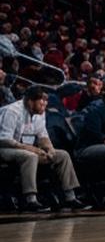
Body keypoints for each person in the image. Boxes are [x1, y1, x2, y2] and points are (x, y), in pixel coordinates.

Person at [0, 85, 85, 213]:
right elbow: (5, 140)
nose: (44, 107)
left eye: (45, 104)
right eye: (41, 104)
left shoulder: (40, 113)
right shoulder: (12, 111)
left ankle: (70, 197)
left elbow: (43, 136)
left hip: (26, 148)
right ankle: (31, 200)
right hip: (5, 148)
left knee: (62, 155)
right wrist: (32, 149)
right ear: (30, 102)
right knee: (30, 156)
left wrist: (50, 149)